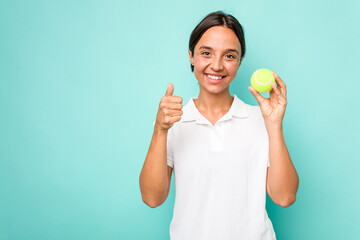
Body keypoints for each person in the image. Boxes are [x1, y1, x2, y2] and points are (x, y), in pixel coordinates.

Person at [139, 10, 299, 240]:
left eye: (229, 56)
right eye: (206, 53)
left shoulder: (260, 119)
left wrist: (274, 125)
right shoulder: (172, 120)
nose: (217, 65)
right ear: (191, 56)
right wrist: (160, 130)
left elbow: (285, 197)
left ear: (240, 61)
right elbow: (152, 198)